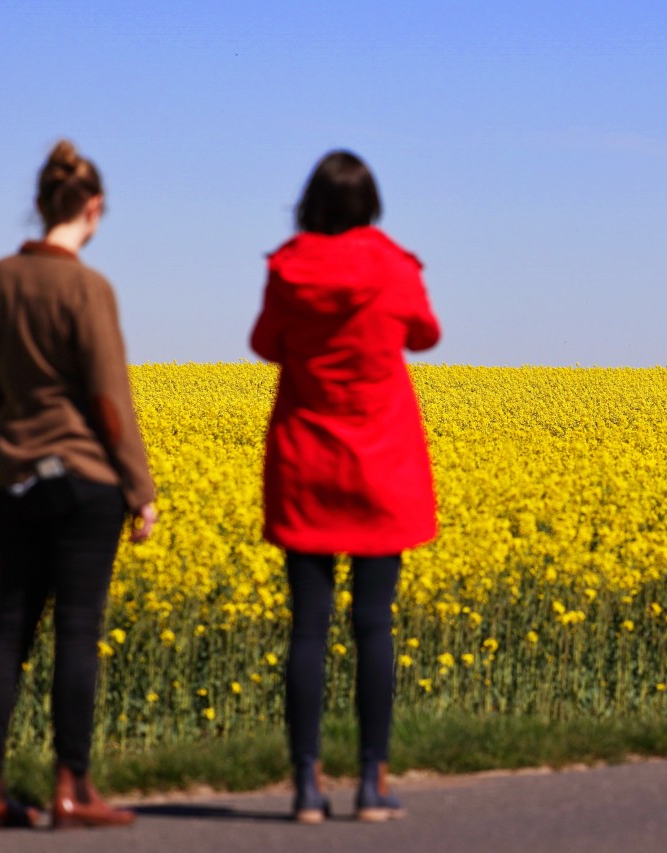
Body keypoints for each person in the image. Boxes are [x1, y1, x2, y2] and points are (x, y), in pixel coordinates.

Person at [0, 140, 157, 830]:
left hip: (15, 478)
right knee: (77, 629)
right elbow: (109, 399)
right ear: (93, 208)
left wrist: (4, 461)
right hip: (82, 480)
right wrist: (140, 486)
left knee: (10, 626)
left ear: (43, 203)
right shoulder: (87, 288)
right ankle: (72, 787)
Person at [250, 150, 441, 824]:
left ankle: (305, 787)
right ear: (371, 206)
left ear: (312, 205)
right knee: (373, 625)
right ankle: (370, 782)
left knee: (308, 626)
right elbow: (426, 333)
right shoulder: (395, 268)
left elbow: (266, 342)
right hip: (380, 464)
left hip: (307, 459)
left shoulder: (287, 270)